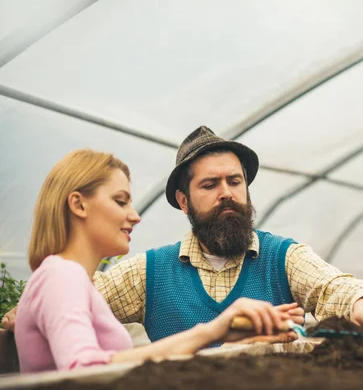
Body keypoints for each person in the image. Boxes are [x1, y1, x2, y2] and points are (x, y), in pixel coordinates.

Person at [4, 126, 363, 344]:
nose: (227, 192)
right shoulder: (150, 272)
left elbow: (332, 287)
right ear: (183, 200)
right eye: (210, 185)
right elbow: (80, 302)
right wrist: (27, 312)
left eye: (235, 181)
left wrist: (362, 304)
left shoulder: (283, 257)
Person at [15, 150, 293, 373]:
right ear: (79, 205)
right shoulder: (62, 277)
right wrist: (212, 330)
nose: (135, 216)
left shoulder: (75, 281)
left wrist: (227, 344)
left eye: (235, 181)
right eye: (120, 201)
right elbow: (84, 370)